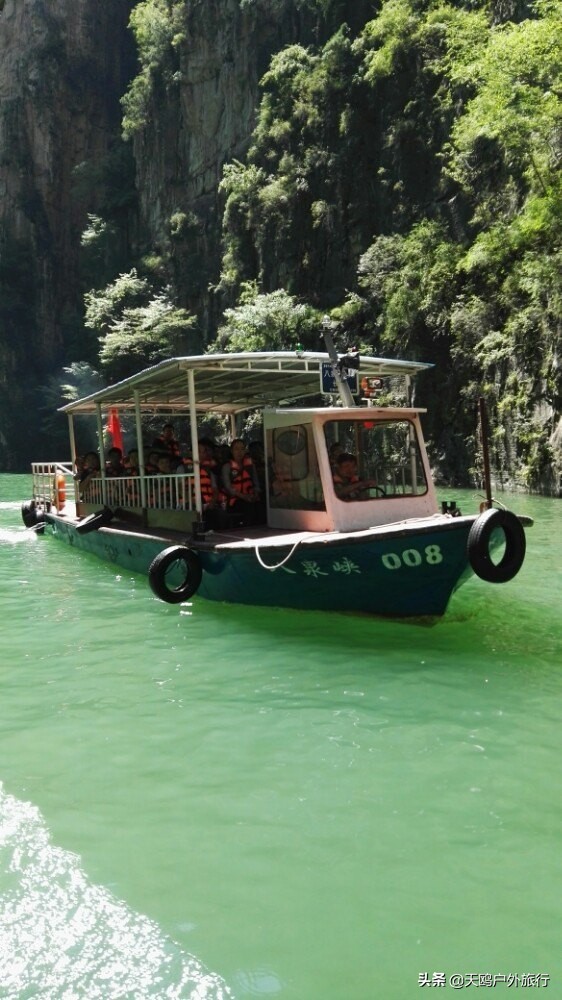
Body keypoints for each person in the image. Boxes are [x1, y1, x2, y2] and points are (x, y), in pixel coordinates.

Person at [221, 438, 261, 524]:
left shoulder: (250, 466)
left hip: (250, 497)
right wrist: (243, 496)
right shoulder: (227, 467)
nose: (239, 452)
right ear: (231, 451)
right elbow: (228, 487)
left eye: (242, 449)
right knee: (248, 506)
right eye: (236, 449)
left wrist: (255, 494)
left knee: (261, 504)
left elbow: (256, 483)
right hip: (234, 500)